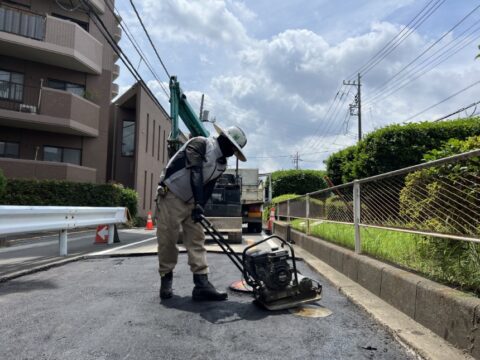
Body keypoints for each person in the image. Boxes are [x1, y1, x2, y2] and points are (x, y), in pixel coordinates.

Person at [155, 124, 247, 301]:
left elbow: (209, 186)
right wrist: (198, 203)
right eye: (233, 149)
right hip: (171, 195)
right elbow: (195, 173)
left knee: (197, 240)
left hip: (192, 201)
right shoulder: (200, 144)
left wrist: (200, 206)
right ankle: (166, 279)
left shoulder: (222, 164)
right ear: (225, 140)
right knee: (168, 239)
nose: (232, 153)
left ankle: (201, 284)